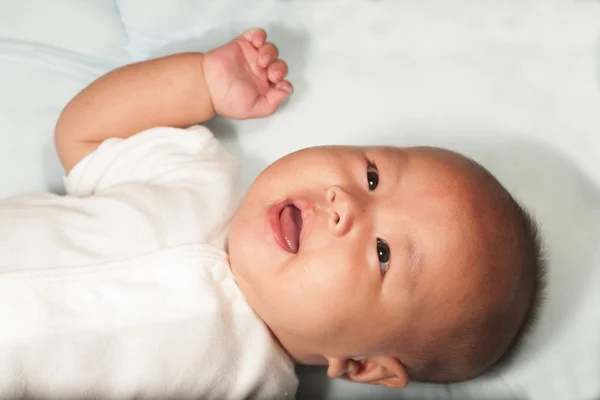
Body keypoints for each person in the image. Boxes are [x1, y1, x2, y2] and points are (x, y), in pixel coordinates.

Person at [0, 28, 544, 398]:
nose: (346, 204)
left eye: (383, 254)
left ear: (360, 365)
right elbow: (85, 136)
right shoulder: (198, 175)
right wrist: (201, 83)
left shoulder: (247, 383)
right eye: (372, 177)